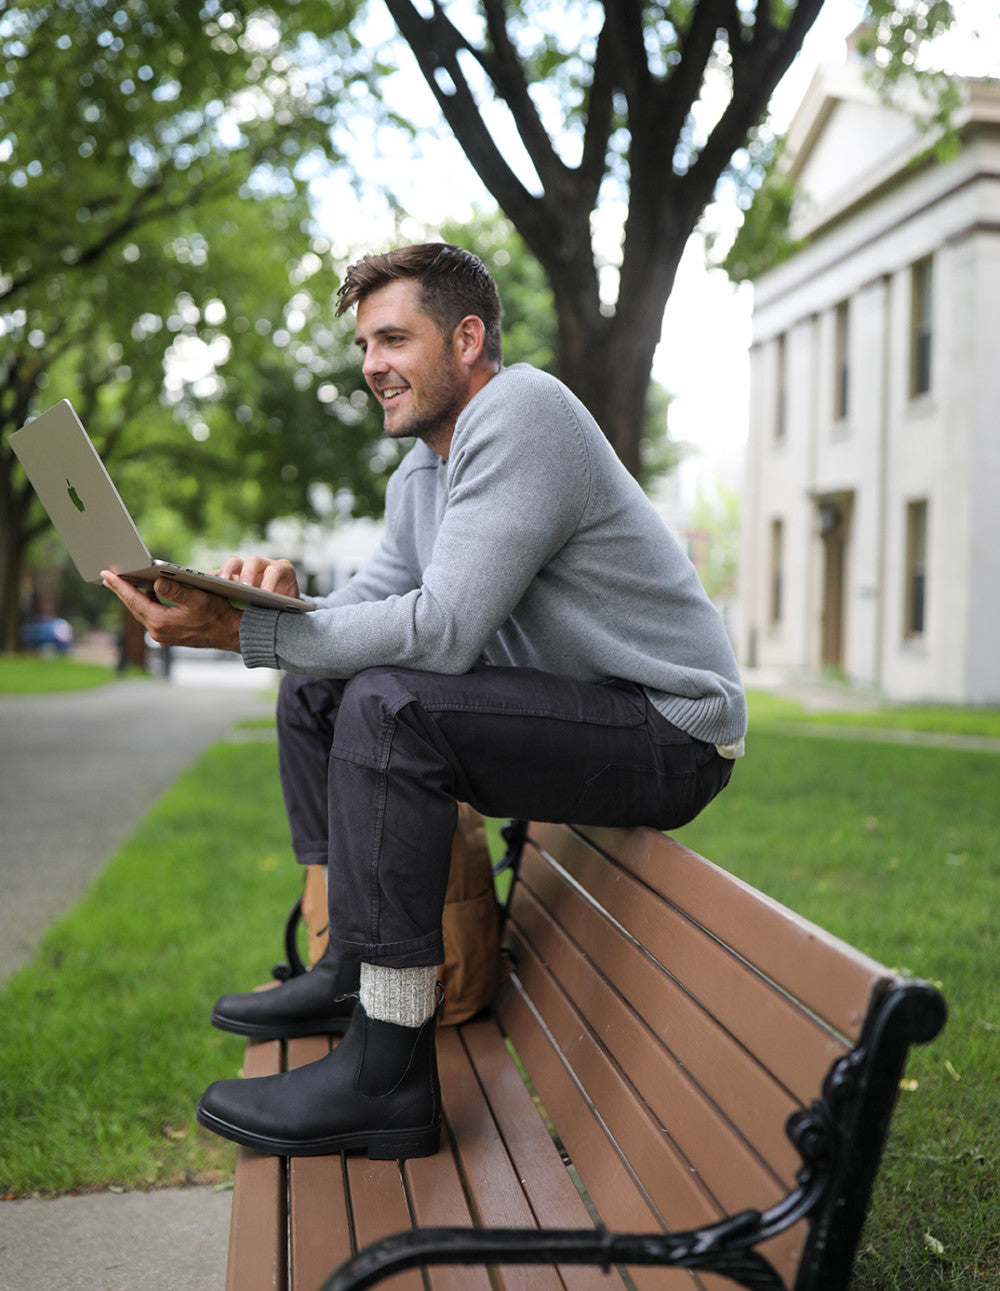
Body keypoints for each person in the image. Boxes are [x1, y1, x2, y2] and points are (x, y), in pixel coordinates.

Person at [101, 242, 747, 1162]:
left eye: (395, 338)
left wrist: (246, 637)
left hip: (669, 728)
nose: (373, 365)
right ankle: (344, 969)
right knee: (322, 696)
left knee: (392, 706)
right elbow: (367, 612)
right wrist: (262, 603)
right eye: (365, 344)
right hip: (583, 714)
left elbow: (440, 632)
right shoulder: (424, 470)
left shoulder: (524, 411)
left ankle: (387, 1073)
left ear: (468, 337)